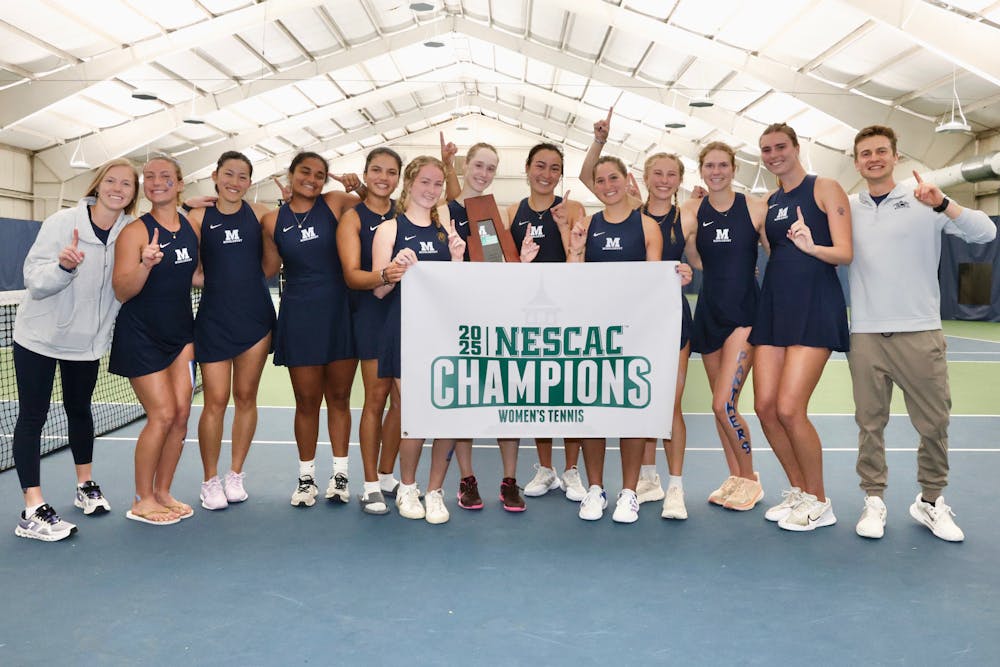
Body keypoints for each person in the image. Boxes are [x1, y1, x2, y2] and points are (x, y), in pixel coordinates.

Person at [848, 125, 995, 542]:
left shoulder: (924, 200)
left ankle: (930, 501)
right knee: (869, 424)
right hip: (866, 335)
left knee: (934, 424)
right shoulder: (847, 207)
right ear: (856, 162)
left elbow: (986, 233)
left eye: (881, 151)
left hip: (920, 332)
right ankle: (873, 499)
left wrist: (944, 203)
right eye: (865, 153)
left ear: (896, 157)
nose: (874, 159)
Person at [578, 108, 697, 519]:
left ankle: (658, 488)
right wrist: (599, 140)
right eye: (657, 173)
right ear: (642, 179)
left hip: (654, 324)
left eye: (671, 174)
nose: (664, 180)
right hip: (606, 329)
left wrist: (686, 272)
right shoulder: (607, 217)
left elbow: (661, 278)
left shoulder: (672, 219)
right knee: (609, 409)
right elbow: (576, 280)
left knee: (656, 406)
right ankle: (618, 485)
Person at [12, 159, 139, 540]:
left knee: (80, 410)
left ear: (134, 193)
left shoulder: (132, 232)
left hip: (86, 342)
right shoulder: (61, 223)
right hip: (38, 337)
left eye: (127, 184)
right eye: (111, 180)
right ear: (98, 185)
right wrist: (63, 268)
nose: (117, 188)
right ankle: (32, 508)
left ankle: (85, 485)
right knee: (32, 416)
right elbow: (34, 281)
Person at [751, 122, 852, 532]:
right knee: (764, 407)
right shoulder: (770, 201)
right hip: (775, 306)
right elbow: (771, 250)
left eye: (781, 147)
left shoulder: (825, 187)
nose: (774, 154)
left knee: (790, 409)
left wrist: (812, 247)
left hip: (815, 304)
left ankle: (820, 501)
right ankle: (800, 491)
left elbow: (845, 252)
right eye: (766, 149)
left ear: (796, 148)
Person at [260, 152, 362, 507]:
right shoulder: (272, 221)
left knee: (340, 398)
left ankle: (340, 475)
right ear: (291, 174)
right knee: (306, 401)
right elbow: (267, 268)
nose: (313, 179)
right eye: (305, 172)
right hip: (299, 316)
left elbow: (379, 209)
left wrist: (358, 186)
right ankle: (306, 479)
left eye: (320, 174)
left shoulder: (335, 203)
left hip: (340, 312)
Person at [372, 155, 466, 524]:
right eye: (425, 181)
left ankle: (435, 490)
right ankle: (408, 487)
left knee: (449, 414)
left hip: (443, 333)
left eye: (438, 184)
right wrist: (394, 269)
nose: (431, 189)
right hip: (404, 331)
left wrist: (457, 259)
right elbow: (378, 290)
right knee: (414, 412)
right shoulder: (389, 229)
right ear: (409, 183)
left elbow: (455, 291)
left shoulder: (446, 230)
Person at [110, 154, 199, 525]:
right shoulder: (134, 232)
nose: (156, 182)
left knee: (181, 416)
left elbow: (195, 275)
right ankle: (141, 499)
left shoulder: (191, 227)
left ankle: (162, 492)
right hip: (140, 335)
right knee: (161, 415)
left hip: (181, 335)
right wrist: (145, 264)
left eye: (165, 176)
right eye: (149, 177)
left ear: (180, 184)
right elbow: (121, 290)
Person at [184, 152, 276, 510]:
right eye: (228, 174)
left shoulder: (260, 214)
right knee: (215, 401)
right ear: (215, 175)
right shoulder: (197, 217)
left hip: (255, 318)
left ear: (250, 182)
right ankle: (210, 480)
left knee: (246, 397)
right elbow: (190, 268)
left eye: (242, 176)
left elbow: (271, 264)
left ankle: (235, 475)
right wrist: (183, 206)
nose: (234, 182)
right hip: (214, 321)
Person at [681, 142, 769, 511]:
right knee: (720, 409)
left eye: (722, 165)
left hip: (744, 315)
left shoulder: (755, 207)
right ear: (701, 170)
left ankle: (750, 479)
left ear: (734, 169)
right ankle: (735, 477)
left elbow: (777, 254)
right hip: (709, 314)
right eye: (709, 166)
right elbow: (695, 259)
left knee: (723, 404)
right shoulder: (692, 210)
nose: (716, 172)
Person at [441, 134, 526, 512]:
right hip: (458, 320)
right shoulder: (443, 210)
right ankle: (467, 479)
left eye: (491, 168)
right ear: (465, 166)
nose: (484, 173)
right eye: (479, 165)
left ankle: (509, 481)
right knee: (465, 402)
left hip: (497, 319)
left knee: (508, 401)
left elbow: (503, 269)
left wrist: (521, 263)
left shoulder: (498, 213)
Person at [509, 142, 588, 503]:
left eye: (554, 168)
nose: (546, 174)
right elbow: (504, 266)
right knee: (539, 393)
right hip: (529, 315)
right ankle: (545, 467)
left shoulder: (574, 208)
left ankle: (571, 469)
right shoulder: (512, 211)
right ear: (527, 168)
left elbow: (579, 257)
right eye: (540, 166)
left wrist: (562, 225)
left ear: (561, 174)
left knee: (569, 392)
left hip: (567, 313)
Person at [337, 147, 404, 514]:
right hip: (371, 314)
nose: (384, 177)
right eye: (376, 170)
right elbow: (351, 275)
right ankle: (370, 485)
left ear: (399, 178)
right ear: (365, 174)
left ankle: (387, 474)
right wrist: (384, 276)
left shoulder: (405, 214)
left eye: (391, 172)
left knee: (402, 402)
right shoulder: (353, 218)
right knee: (376, 399)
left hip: (407, 315)